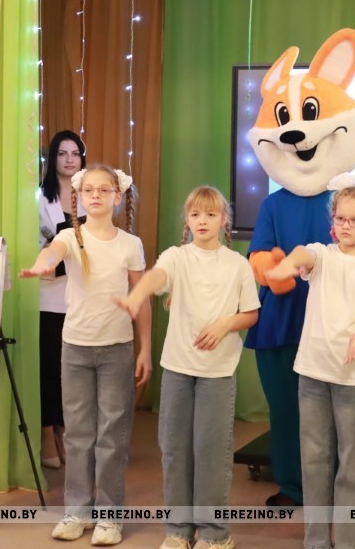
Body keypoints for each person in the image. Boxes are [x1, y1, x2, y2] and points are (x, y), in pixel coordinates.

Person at [116, 186, 260, 549]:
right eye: (195, 214)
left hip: (218, 373)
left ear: (224, 220)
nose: (202, 221)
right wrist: (136, 294)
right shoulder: (176, 256)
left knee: (211, 453)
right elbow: (156, 277)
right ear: (187, 220)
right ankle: (178, 530)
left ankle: (215, 534)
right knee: (175, 450)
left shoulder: (237, 264)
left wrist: (225, 324)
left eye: (211, 214)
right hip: (178, 369)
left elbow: (250, 313)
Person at [266, 172, 355, 549]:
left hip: (352, 380)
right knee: (314, 461)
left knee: (351, 465)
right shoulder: (321, 255)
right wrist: (284, 267)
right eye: (340, 218)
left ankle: (350, 542)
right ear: (332, 220)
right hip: (312, 374)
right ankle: (316, 542)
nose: (346, 226)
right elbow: (301, 255)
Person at [21, 164, 151, 546]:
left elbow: (141, 300)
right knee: (78, 434)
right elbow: (53, 252)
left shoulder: (130, 244)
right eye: (89, 190)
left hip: (117, 350)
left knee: (112, 435)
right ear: (79, 196)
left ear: (117, 196)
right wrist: (43, 263)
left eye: (103, 190)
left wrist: (145, 347)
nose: (95, 195)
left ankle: (109, 516)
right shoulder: (68, 235)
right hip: (75, 348)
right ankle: (76, 511)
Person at [38, 130, 87, 469]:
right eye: (62, 153)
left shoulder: (90, 195)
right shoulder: (39, 197)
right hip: (49, 295)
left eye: (75, 153)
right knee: (49, 370)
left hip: (82, 295)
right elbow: (31, 243)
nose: (69, 159)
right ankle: (47, 435)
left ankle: (68, 431)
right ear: (52, 158)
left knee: (74, 373)